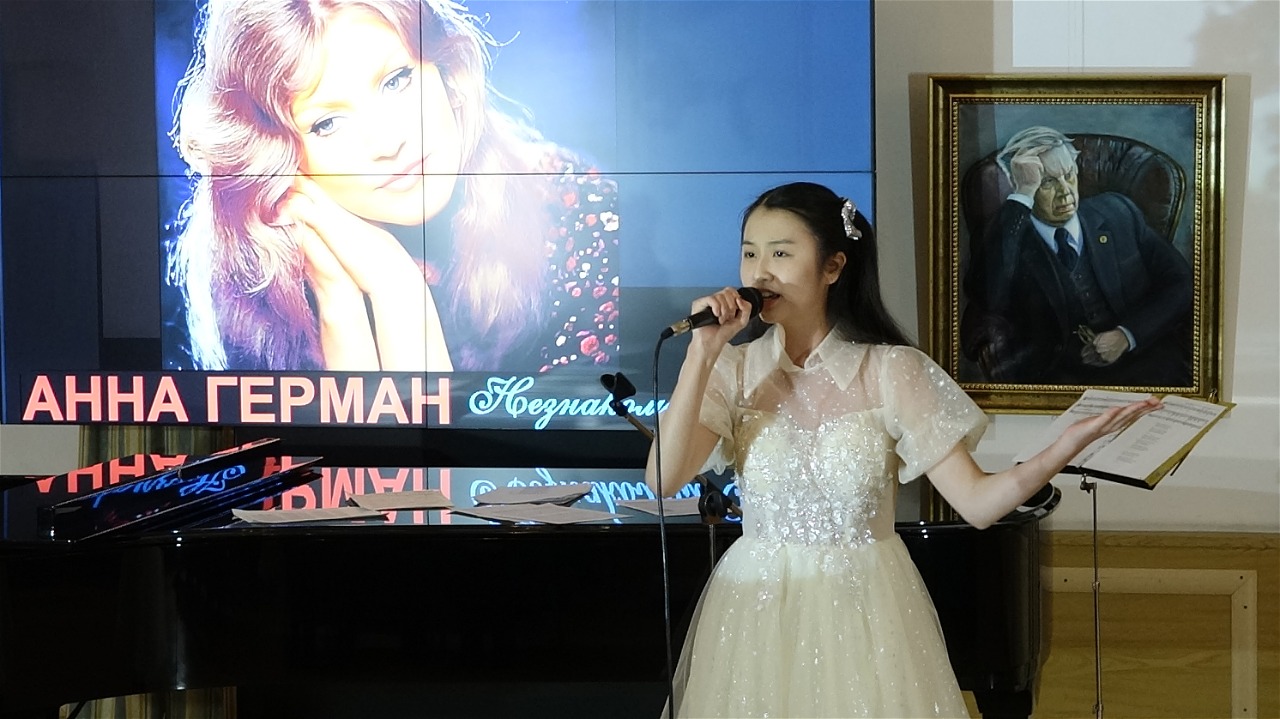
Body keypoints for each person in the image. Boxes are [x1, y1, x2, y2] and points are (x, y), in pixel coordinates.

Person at [645, 181, 1160, 718]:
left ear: (833, 266)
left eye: (780, 254)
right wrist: (702, 353)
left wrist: (1067, 443)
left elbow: (979, 504)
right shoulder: (732, 369)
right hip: (754, 609)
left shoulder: (893, 370)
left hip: (865, 613)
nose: (759, 274)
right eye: (750, 254)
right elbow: (662, 479)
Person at [165, 0, 619, 372]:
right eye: (327, 123)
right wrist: (345, 303)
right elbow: (351, 457)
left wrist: (398, 290)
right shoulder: (257, 277)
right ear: (277, 157)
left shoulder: (572, 204)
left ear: (446, 70)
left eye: (396, 80)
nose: (388, 142)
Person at [961, 125, 1193, 386]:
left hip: (1143, 362)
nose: (1065, 192)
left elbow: (1181, 281)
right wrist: (1024, 194)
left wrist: (1126, 335)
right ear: (1022, 186)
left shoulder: (1118, 212)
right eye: (1047, 182)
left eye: (1069, 174)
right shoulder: (1006, 237)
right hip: (1056, 377)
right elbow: (986, 296)